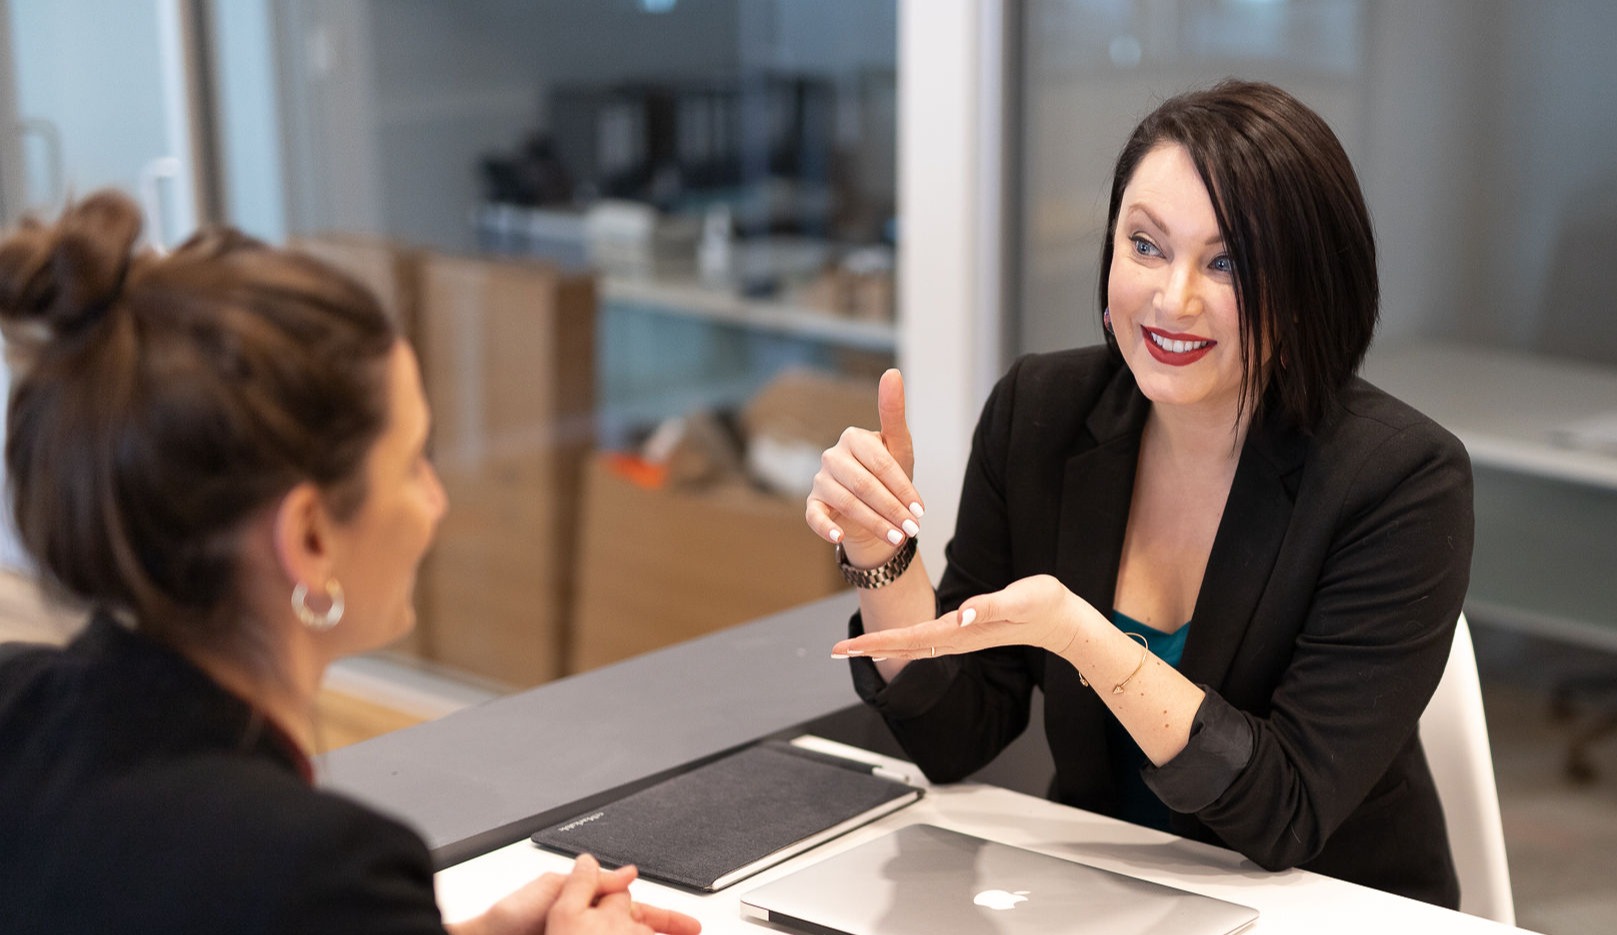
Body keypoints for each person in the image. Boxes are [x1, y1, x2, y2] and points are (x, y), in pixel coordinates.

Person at [806, 80, 1473, 908]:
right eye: (1146, 245)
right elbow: (954, 732)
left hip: (1328, 904)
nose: (1172, 297)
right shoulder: (1041, 413)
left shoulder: (1399, 478)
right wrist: (881, 553)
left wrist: (1085, 639)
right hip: (1101, 896)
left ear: (1306, 288)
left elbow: (1285, 813)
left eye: (1227, 262)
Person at [0, 191, 700, 935]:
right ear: (308, 538)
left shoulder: (17, 703)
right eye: (410, 465)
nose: (436, 501)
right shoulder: (316, 868)